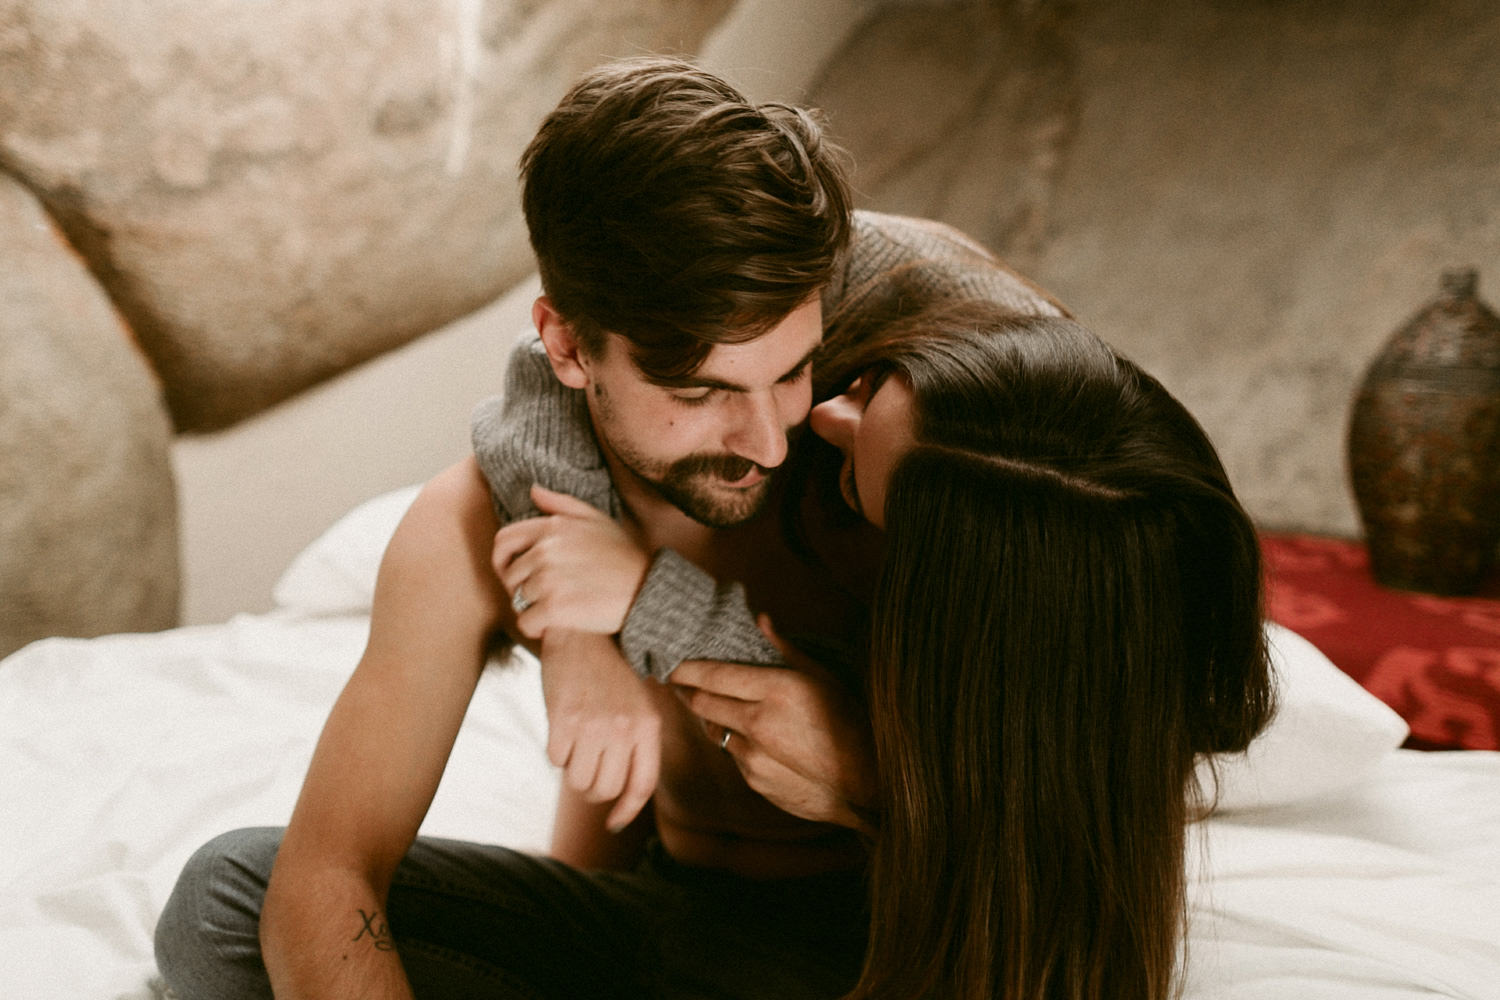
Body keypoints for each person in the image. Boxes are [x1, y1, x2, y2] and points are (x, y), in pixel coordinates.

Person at [152, 56, 1060, 1000]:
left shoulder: (868, 481)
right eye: (699, 391)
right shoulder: (474, 524)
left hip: (883, 945)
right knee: (226, 896)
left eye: (791, 371)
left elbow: (1049, 818)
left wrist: (856, 770)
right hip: (664, 922)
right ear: (568, 348)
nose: (769, 441)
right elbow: (329, 877)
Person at [671, 303, 1277, 1000]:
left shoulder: (1060, 694)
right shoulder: (911, 316)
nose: (820, 414)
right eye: (868, 385)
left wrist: (876, 793)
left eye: (851, 487)